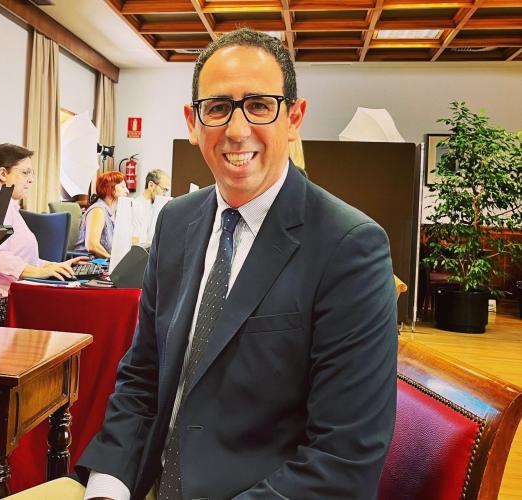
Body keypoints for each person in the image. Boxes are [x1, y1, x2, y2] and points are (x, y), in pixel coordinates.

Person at [77, 28, 398, 500]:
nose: (236, 130)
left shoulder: (349, 246)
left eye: (260, 105)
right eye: (218, 108)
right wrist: (107, 488)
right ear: (193, 122)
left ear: (294, 118)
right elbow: (142, 379)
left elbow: (342, 460)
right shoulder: (176, 221)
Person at [0, 143, 86, 323]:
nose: (30, 180)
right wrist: (39, 272)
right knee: (61, 309)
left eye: (31, 173)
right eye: (25, 173)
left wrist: (53, 266)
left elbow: (19, 258)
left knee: (64, 302)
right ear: (3, 174)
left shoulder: (2, 201)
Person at [73, 171, 128, 258]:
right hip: (90, 262)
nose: (127, 191)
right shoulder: (98, 210)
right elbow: (92, 245)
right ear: (110, 188)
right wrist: (113, 260)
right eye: (123, 187)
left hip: (103, 261)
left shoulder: (110, 212)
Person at [131, 169, 170, 245]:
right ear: (151, 185)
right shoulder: (135, 206)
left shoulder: (153, 207)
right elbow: (136, 241)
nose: (164, 194)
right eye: (164, 190)